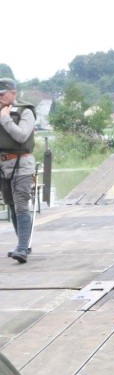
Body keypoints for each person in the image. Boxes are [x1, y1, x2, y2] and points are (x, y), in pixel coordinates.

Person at [0, 77, 36, 264]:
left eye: (2, 94)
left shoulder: (25, 111)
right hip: (3, 166)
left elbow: (21, 136)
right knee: (11, 205)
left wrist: (5, 119)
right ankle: (23, 244)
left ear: (12, 93)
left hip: (22, 164)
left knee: (21, 204)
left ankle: (22, 249)